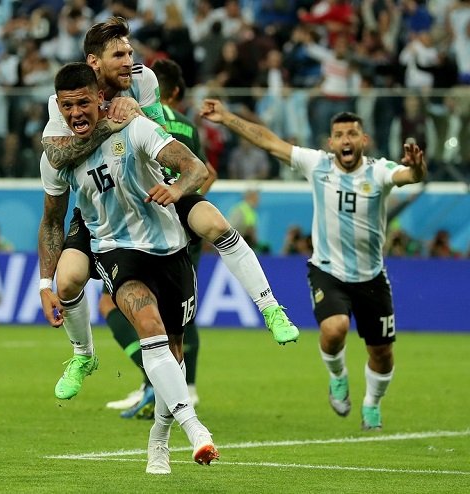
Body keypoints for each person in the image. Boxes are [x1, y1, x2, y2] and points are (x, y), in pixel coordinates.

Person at [39, 16, 298, 410]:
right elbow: (57, 156)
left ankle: (270, 307)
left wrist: (148, 138)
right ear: (94, 62)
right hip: (100, 203)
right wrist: (109, 124)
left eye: (130, 52)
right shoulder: (68, 96)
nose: (130, 61)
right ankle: (82, 355)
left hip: (153, 185)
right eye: (119, 54)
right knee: (68, 279)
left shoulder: (143, 81)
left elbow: (161, 139)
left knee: (214, 223)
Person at [200, 100, 428, 431]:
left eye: (352, 133)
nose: (346, 140)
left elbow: (408, 176)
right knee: (334, 329)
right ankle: (338, 377)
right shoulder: (317, 165)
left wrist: (418, 168)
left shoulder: (378, 171)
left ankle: (372, 404)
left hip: (371, 277)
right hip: (327, 270)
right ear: (331, 142)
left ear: (363, 141)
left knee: (382, 354)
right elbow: (268, 141)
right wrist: (227, 118)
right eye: (339, 134)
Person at [40, 62, 218, 474]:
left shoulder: (133, 125)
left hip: (167, 246)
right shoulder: (59, 155)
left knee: (172, 353)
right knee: (145, 322)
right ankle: (196, 430)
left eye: (83, 103)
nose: (75, 114)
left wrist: (175, 190)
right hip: (114, 250)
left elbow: (195, 167)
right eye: (66, 107)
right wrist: (44, 282)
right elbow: (52, 220)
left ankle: (159, 441)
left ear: (99, 99)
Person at [104, 58, 218, 417]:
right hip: (182, 223)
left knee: (117, 306)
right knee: (181, 314)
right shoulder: (185, 124)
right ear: (177, 92)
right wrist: (184, 201)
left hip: (140, 225)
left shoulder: (128, 120)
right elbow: (204, 172)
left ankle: (155, 379)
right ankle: (183, 385)